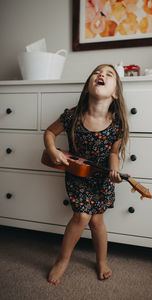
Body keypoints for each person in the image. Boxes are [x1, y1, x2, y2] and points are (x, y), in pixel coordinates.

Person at [44, 64, 129, 285]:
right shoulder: (73, 116)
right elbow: (49, 133)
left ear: (115, 93)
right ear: (87, 86)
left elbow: (113, 153)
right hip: (77, 174)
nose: (102, 75)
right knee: (82, 216)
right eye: (97, 72)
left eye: (109, 74)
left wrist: (115, 171)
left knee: (97, 221)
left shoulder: (117, 125)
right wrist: (52, 150)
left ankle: (101, 260)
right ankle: (63, 259)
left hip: (100, 178)